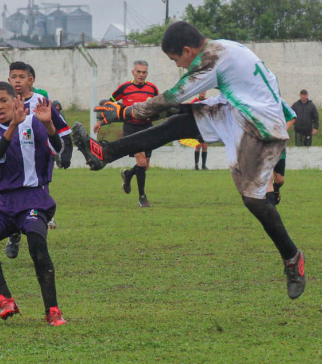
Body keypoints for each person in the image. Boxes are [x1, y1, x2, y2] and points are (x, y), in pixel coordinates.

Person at [71, 21, 307, 299]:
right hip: (236, 109)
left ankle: (293, 259)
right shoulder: (225, 47)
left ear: (186, 49)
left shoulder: (212, 59)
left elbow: (172, 96)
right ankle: (105, 153)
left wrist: (122, 113)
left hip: (260, 126)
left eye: (176, 60)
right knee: (178, 123)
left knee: (253, 200)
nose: (178, 66)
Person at [0, 81, 66, 326]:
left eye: (3, 101)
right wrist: (12, 126)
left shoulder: (35, 122)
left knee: (36, 240)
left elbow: (58, 149)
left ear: (16, 101)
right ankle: (4, 299)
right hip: (2, 201)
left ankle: (52, 310)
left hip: (33, 197)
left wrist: (50, 125)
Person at [4, 62, 70, 258]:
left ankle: (39, 245)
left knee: (38, 203)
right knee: (11, 200)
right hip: (13, 161)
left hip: (39, 162)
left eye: (21, 77)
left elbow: (63, 129)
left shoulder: (41, 101)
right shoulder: (5, 102)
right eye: (14, 77)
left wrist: (66, 153)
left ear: (30, 80)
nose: (17, 80)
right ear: (9, 80)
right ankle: (14, 234)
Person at [95, 60, 159, 208]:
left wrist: (154, 114)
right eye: (139, 72)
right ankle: (142, 198)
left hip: (147, 128)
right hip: (131, 128)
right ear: (133, 72)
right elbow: (109, 107)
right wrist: (101, 122)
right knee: (141, 163)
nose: (141, 75)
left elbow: (157, 106)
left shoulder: (152, 89)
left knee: (145, 166)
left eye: (144, 72)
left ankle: (129, 174)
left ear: (147, 74)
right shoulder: (124, 88)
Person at [191, 92, 209, 170]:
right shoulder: (194, 101)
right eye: (201, 91)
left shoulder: (208, 101)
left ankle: (204, 165)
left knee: (205, 146)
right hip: (197, 126)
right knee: (198, 145)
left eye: (204, 91)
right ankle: (196, 165)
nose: (202, 93)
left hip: (205, 126)